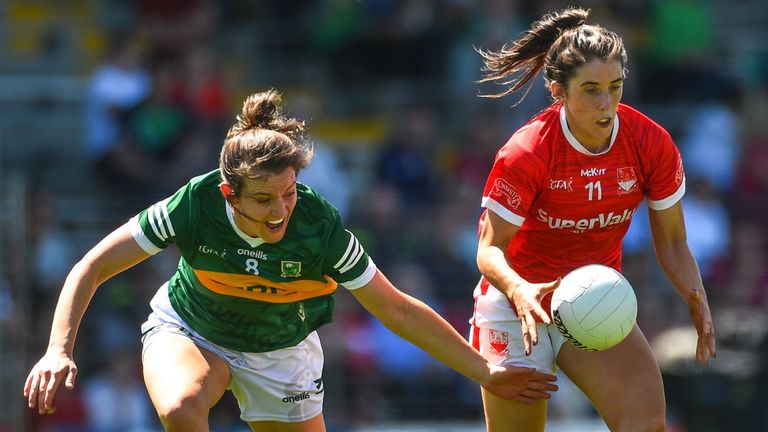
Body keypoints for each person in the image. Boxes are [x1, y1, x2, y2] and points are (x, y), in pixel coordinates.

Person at [24, 89, 558, 431]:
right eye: (263, 199)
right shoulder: (196, 203)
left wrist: (485, 372)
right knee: (182, 407)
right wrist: (56, 349)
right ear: (230, 194)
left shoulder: (319, 228)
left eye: (289, 193)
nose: (280, 210)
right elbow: (90, 266)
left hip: (283, 352)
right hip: (192, 329)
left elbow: (395, 310)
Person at [467, 8, 717, 432]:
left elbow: (673, 242)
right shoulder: (527, 152)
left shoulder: (651, 143)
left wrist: (696, 296)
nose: (606, 103)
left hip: (593, 303)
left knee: (646, 422)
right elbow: (489, 250)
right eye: (590, 90)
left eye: (615, 87)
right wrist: (519, 290)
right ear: (557, 91)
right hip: (516, 309)